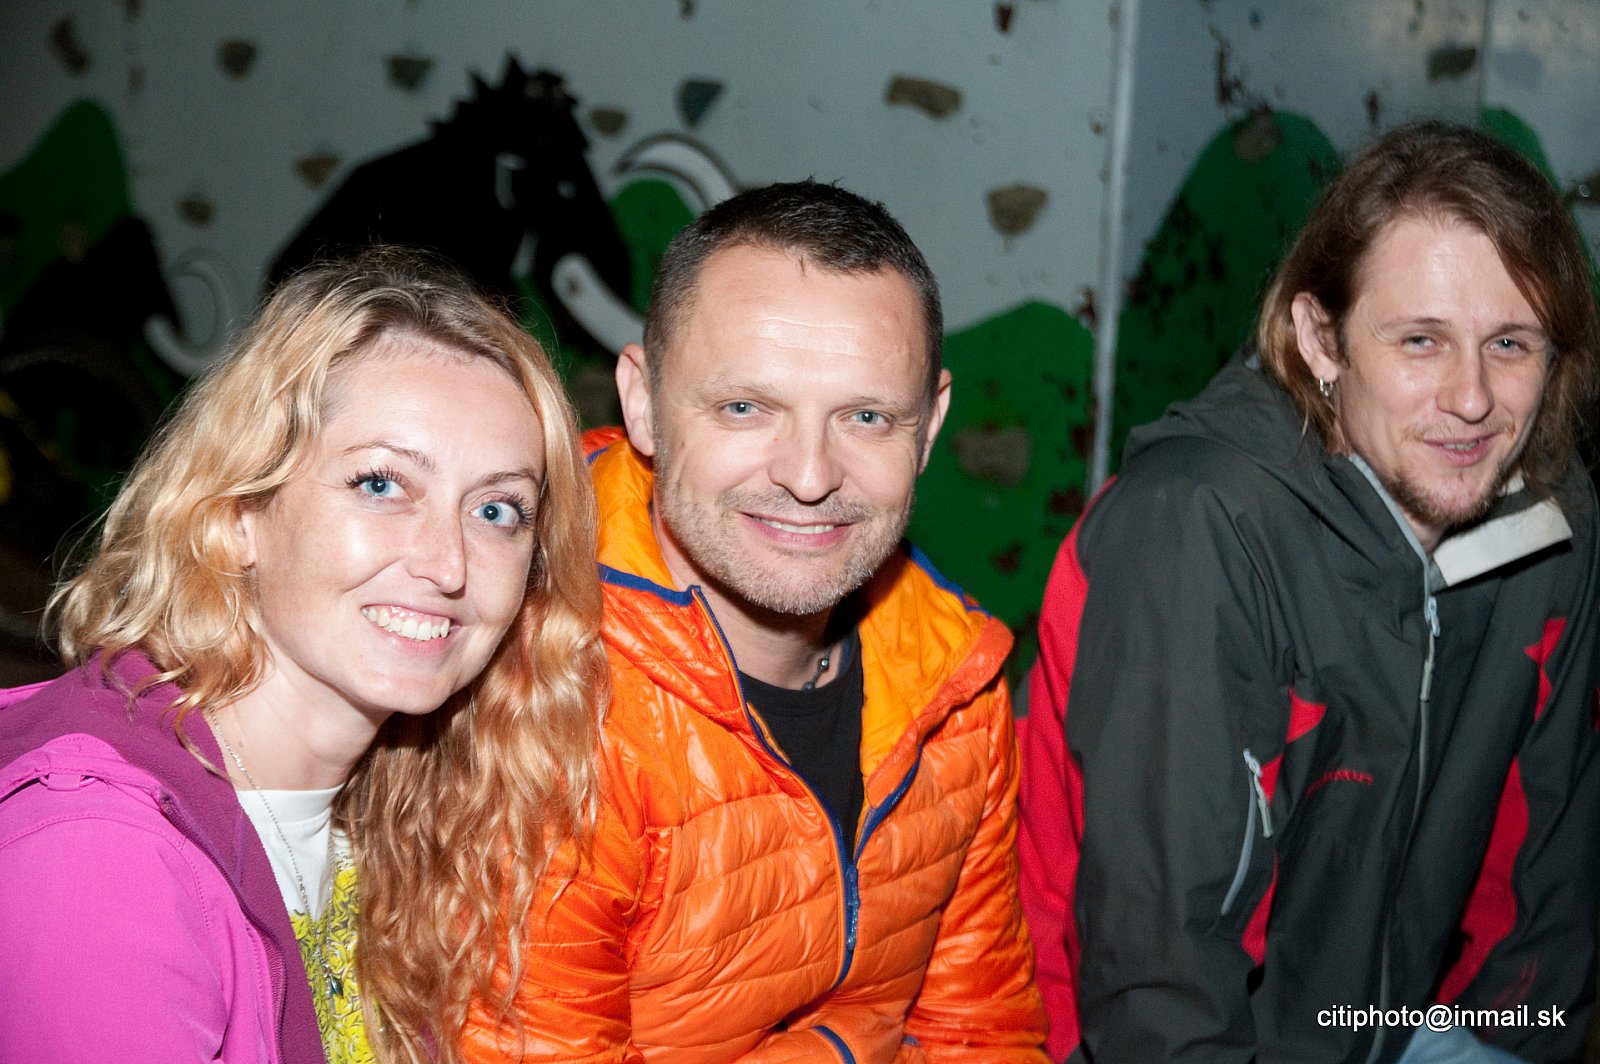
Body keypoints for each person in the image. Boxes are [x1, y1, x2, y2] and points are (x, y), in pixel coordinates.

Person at [1017, 121, 1600, 1063]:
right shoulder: (1198, 531)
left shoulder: (1550, 520)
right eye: (1421, 341)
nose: (1472, 398)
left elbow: (1542, 882)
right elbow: (1161, 988)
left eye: (1510, 343)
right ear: (1321, 339)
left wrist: (1507, 1039)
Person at [461, 181, 1047, 1061]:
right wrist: (846, 1051)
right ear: (642, 402)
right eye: (745, 408)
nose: (809, 476)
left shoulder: (956, 683)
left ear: (929, 427)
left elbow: (984, 1033)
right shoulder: (536, 689)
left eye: (866, 417)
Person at [0, 247, 608, 1064]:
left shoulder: (393, 818)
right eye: (381, 484)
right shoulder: (99, 853)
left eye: (497, 509)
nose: (449, 564)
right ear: (241, 512)